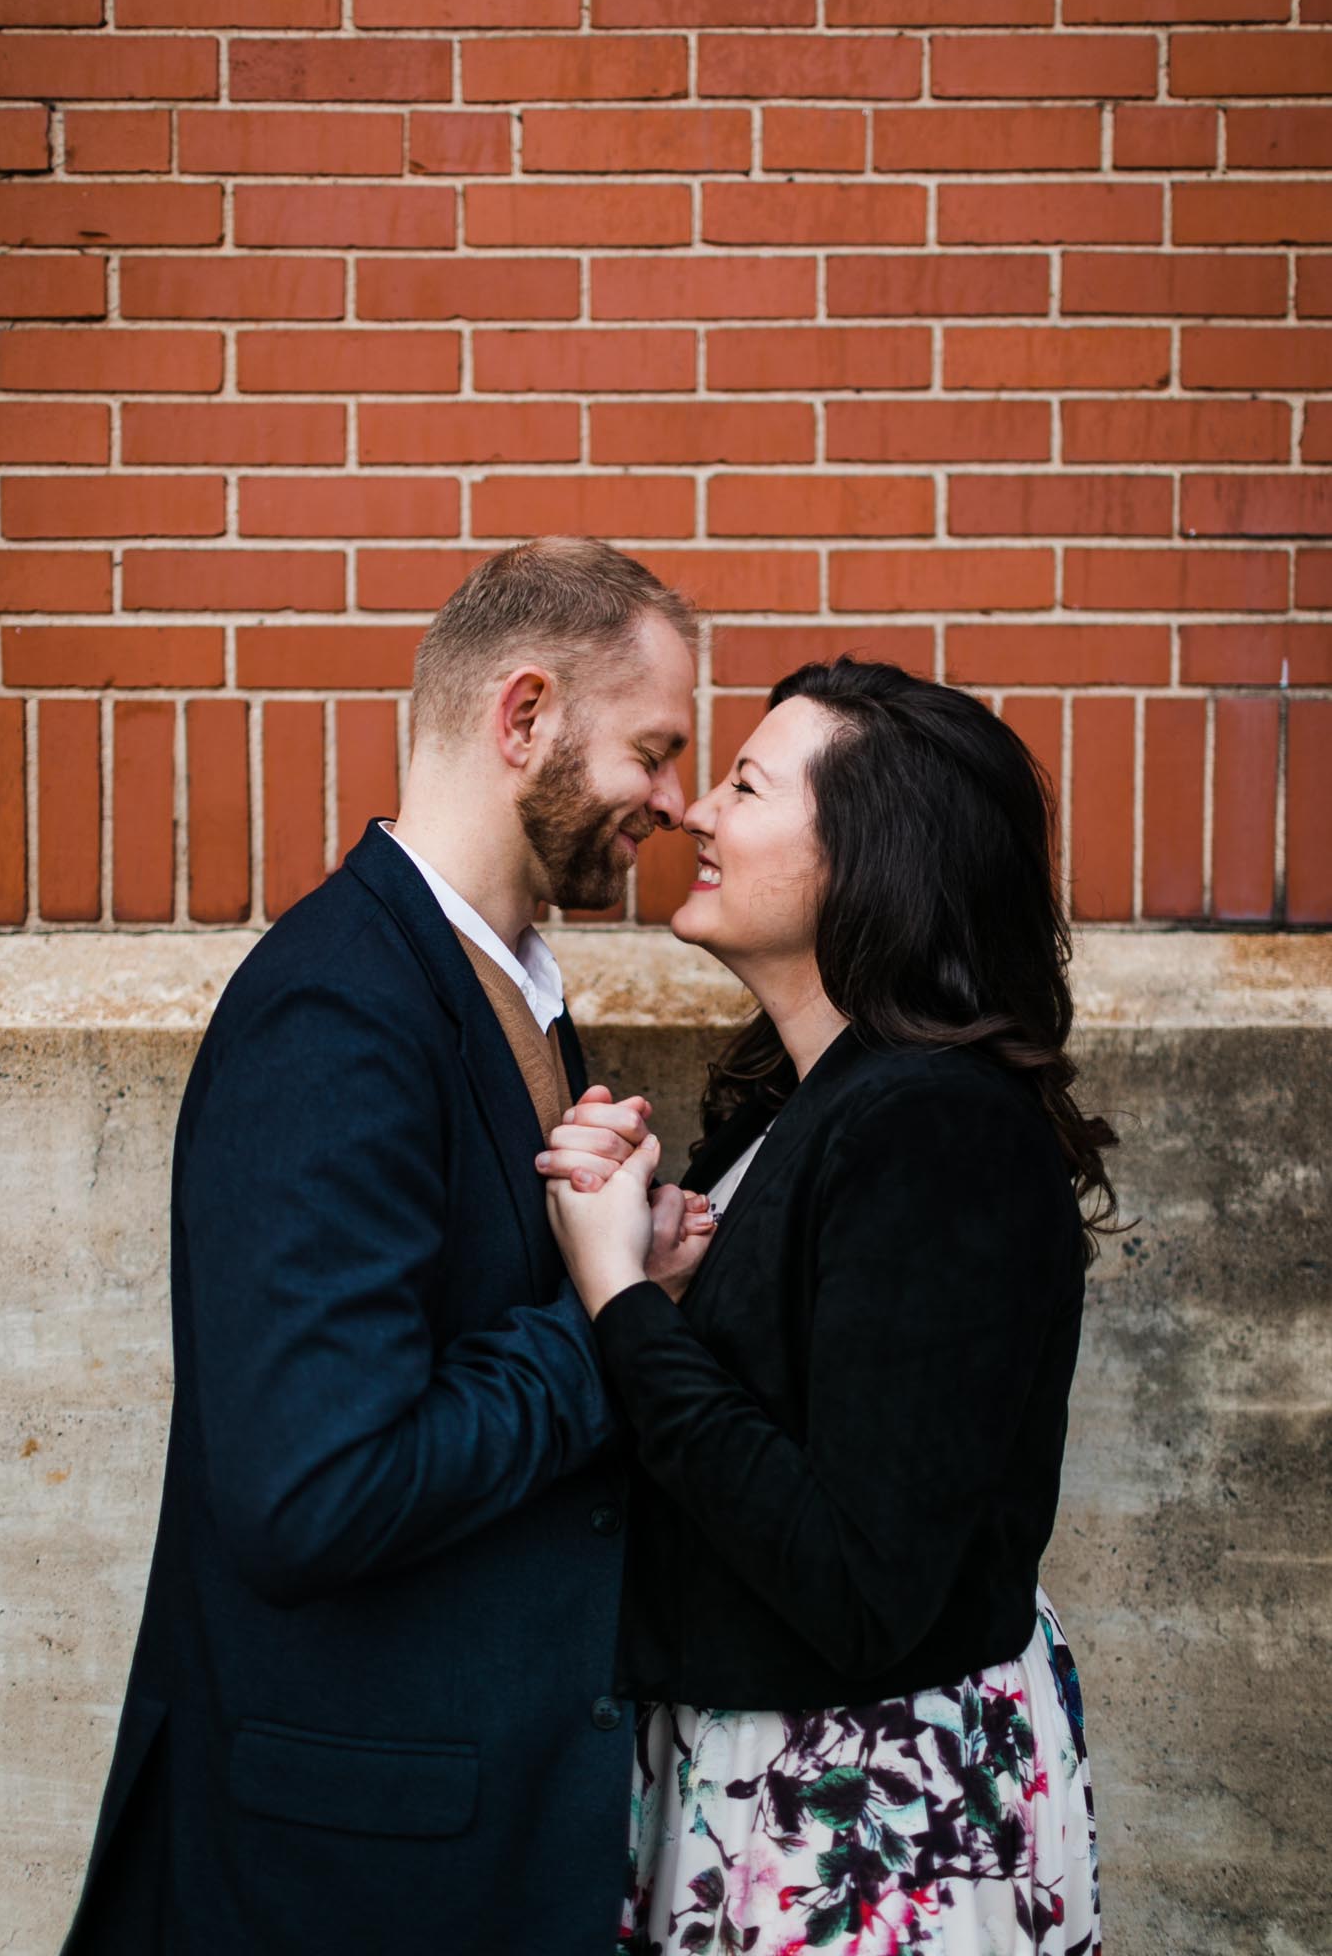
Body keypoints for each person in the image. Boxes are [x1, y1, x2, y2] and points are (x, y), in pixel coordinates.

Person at [61, 537, 700, 1956]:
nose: (675, 799)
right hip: (346, 1873)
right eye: (652, 750)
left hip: (471, 1842)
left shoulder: (509, 985)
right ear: (523, 717)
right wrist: (611, 1312)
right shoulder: (338, 1016)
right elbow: (318, 1492)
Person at [541, 658, 1113, 1956]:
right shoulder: (806, 1107)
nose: (695, 814)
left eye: (744, 785)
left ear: (868, 857)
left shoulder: (932, 1128)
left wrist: (621, 1296)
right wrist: (668, 1268)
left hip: (865, 1823)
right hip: (760, 1779)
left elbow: (860, 1585)